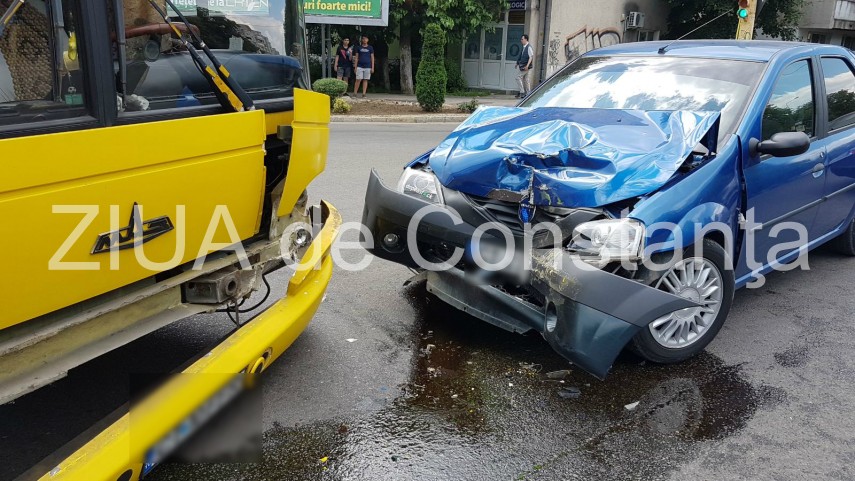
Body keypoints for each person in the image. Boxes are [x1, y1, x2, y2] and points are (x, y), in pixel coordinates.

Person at [516, 34, 534, 99]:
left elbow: (531, 57)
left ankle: (522, 92)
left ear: (526, 39)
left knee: (518, 77)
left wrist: (527, 65)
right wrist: (517, 63)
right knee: (526, 79)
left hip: (525, 66)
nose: (521, 40)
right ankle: (528, 93)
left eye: (522, 39)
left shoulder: (528, 47)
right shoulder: (524, 47)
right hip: (524, 65)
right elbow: (521, 56)